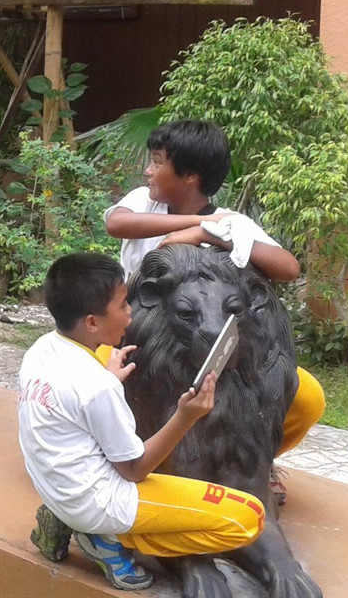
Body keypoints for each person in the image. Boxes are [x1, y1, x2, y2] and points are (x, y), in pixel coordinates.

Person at [104, 120, 324, 501]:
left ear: (189, 175)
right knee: (94, 384)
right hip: (136, 344)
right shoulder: (144, 201)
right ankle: (125, 456)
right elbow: (116, 223)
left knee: (308, 398)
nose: (148, 171)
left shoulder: (232, 224)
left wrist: (213, 235)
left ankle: (255, 462)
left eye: (157, 162)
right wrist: (201, 222)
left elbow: (288, 267)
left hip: (214, 357)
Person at [19, 253, 264, 591]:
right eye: (123, 305)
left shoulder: (41, 350)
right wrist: (185, 416)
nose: (131, 312)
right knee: (249, 517)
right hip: (100, 500)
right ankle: (107, 537)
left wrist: (107, 379)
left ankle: (65, 515)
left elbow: (74, 408)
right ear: (92, 323)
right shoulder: (97, 386)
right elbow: (134, 470)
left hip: (54, 485)